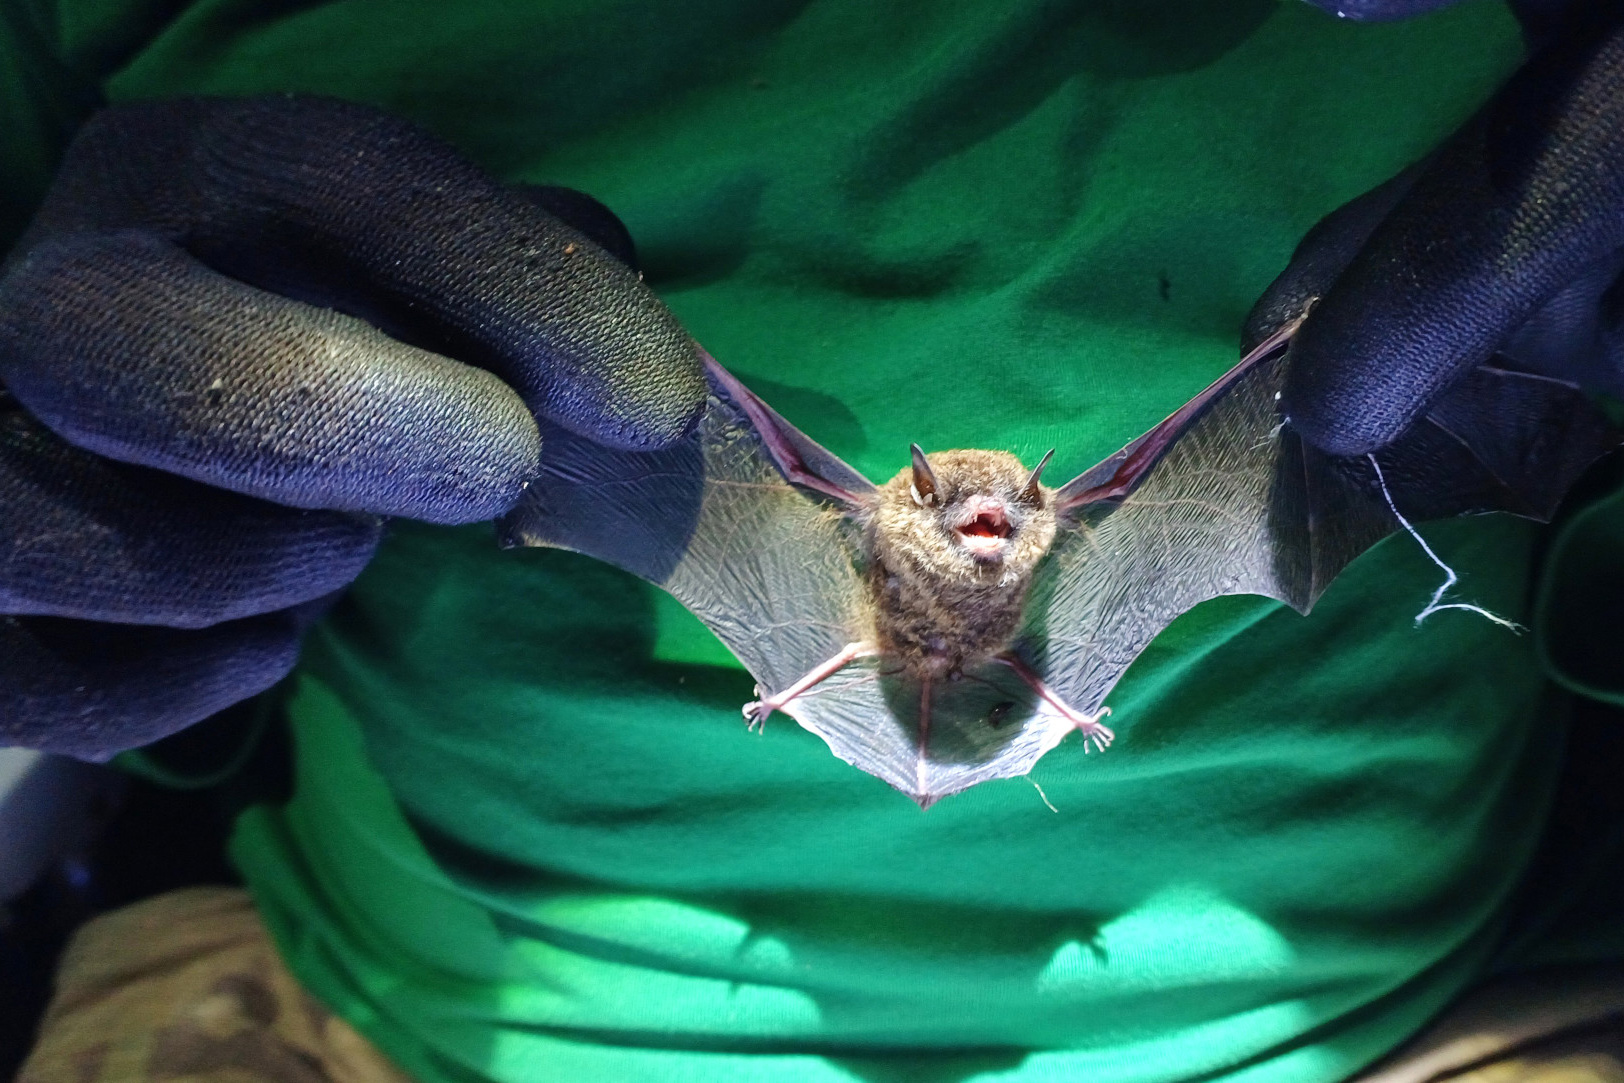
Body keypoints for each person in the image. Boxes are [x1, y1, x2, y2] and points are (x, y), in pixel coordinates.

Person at [4, 1, 1624, 1080]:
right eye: (958, 504)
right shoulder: (809, 522)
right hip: (372, 1013)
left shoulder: (1123, 522)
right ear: (894, 495)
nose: (985, 528)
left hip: (1441, 1016)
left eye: (1002, 517)